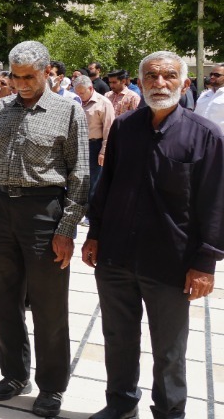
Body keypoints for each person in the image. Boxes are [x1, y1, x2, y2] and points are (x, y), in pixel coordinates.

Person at [82, 51, 224, 419]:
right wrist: (94, 233)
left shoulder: (205, 136)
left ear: (184, 82)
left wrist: (205, 263)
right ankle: (121, 403)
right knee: (118, 337)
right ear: (141, 82)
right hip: (117, 254)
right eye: (152, 76)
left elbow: (215, 203)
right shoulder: (125, 127)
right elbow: (107, 185)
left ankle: (169, 411)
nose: (160, 83)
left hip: (170, 261)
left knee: (169, 348)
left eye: (169, 76)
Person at [0, 41, 89, 418]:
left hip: (43, 213)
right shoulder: (0, 109)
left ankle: (51, 386)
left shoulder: (68, 110)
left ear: (47, 72)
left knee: (49, 306)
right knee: (4, 300)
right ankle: (14, 375)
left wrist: (66, 228)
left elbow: (80, 174)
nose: (20, 84)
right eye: (15, 77)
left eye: (28, 77)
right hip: (1, 211)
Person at [72, 75, 115, 201]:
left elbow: (109, 129)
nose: (79, 96)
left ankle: (92, 209)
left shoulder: (104, 103)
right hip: (77, 145)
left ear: (90, 88)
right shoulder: (75, 101)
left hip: (94, 146)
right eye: (77, 93)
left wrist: (103, 151)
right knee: (78, 179)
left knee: (93, 182)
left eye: (82, 93)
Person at [194, 63, 224, 132]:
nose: (212, 77)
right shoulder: (204, 94)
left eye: (217, 75)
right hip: (200, 135)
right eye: (211, 74)